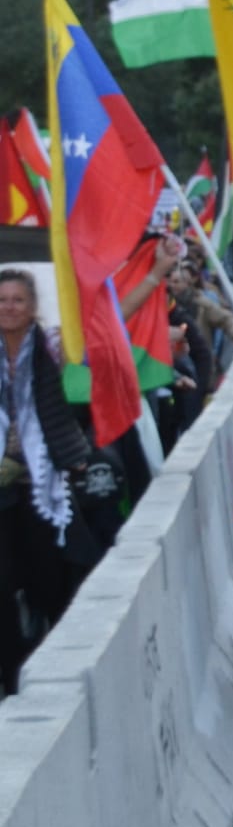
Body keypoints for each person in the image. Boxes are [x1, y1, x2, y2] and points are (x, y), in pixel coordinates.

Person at [0, 269, 95, 695]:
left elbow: (102, 330)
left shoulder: (54, 347)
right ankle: (12, 674)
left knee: (47, 577)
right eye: (2, 299)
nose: (8, 307)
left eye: (17, 300)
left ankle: (54, 661)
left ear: (32, 307)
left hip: (42, 479)